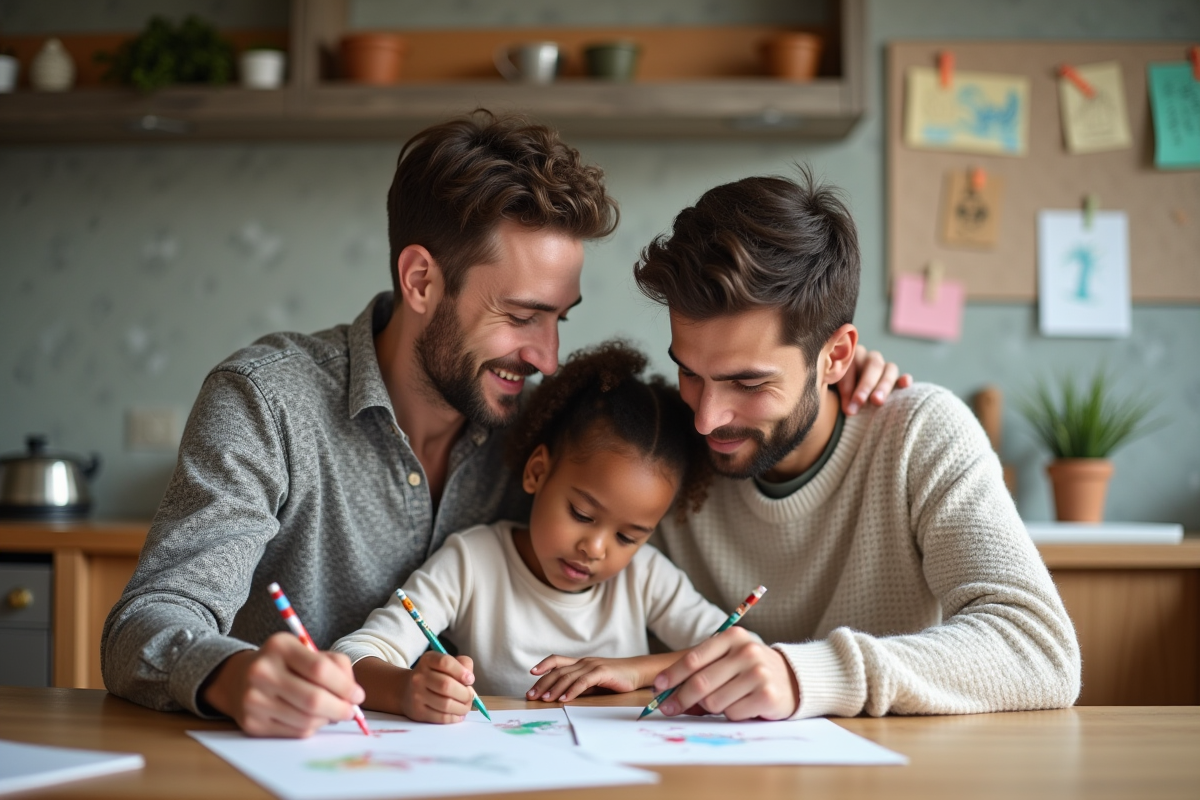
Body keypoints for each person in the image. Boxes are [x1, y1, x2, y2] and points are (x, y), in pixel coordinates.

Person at [101, 112, 903, 738]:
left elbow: (723, 415)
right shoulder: (266, 401)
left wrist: (834, 380)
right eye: (521, 316)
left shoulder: (552, 426)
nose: (548, 357)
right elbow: (147, 626)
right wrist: (233, 677)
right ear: (421, 280)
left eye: (560, 319)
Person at [629, 169, 1081, 722]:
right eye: (690, 373)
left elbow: (1039, 650)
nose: (705, 419)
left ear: (837, 357)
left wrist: (807, 676)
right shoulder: (656, 443)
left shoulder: (919, 434)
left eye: (748, 384)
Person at [334, 340, 748, 722]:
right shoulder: (472, 563)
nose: (595, 548)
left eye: (628, 537)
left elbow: (740, 654)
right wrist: (408, 690)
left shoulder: (646, 577)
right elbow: (354, 655)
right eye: (582, 514)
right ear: (537, 472)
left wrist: (633, 671)